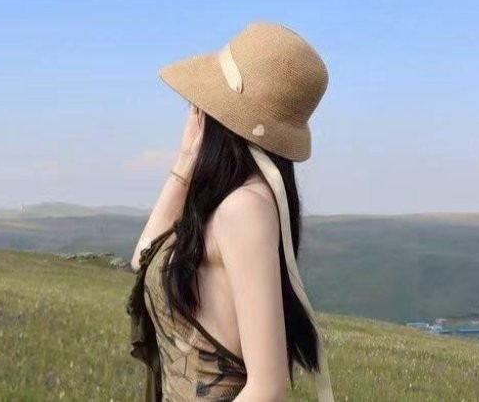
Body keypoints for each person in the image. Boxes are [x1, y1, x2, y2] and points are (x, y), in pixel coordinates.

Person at [125, 21, 335, 402]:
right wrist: (185, 160)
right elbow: (143, 259)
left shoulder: (245, 209)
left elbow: (267, 388)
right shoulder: (229, 204)